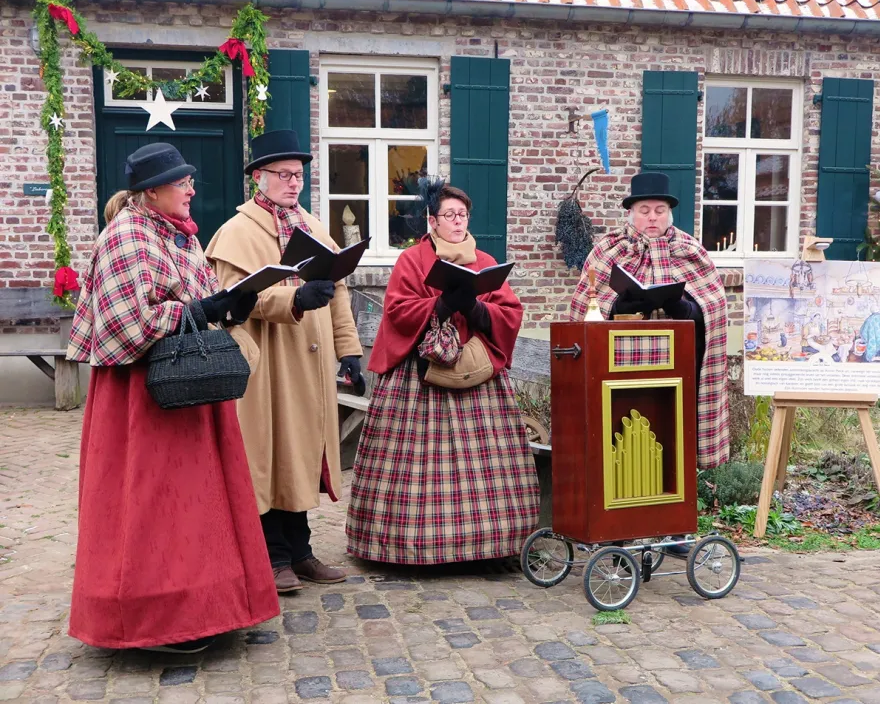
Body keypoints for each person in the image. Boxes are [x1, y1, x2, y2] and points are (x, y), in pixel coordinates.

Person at [66, 143, 278, 653]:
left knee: (201, 502)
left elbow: (197, 301)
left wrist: (232, 304)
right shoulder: (125, 236)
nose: (190, 189)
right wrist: (202, 309)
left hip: (188, 386)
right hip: (141, 396)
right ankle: (156, 620)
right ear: (151, 191)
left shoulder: (180, 236)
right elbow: (126, 323)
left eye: (189, 180)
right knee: (155, 507)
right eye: (181, 182)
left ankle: (213, 608)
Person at [345, 179, 540, 565]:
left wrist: (477, 309)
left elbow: (510, 312)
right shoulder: (411, 261)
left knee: (485, 466)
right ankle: (408, 546)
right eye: (448, 215)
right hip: (418, 377)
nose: (456, 221)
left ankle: (490, 546)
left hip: (476, 375)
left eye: (462, 215)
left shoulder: (485, 263)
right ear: (432, 221)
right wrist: (440, 304)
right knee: (415, 469)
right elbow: (398, 310)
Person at [206, 130, 363, 594]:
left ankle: (301, 550)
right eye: (283, 174)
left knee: (301, 454)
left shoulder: (312, 226)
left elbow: (338, 291)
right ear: (259, 177)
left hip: (310, 363)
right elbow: (233, 299)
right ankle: (272, 556)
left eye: (298, 174)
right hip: (266, 363)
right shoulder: (237, 231)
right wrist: (292, 298)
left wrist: (348, 347)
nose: (294, 182)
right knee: (269, 452)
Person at [568, 171, 729, 470]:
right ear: (630, 213)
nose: (652, 218)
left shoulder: (691, 250)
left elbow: (714, 311)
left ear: (669, 214)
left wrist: (683, 307)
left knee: (672, 434)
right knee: (626, 436)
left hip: (679, 368)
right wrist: (619, 305)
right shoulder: (608, 250)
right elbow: (586, 310)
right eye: (644, 211)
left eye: (660, 211)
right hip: (621, 368)